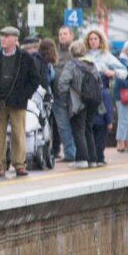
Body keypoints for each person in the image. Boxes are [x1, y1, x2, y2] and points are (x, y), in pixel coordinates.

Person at [0, 26, 41, 178]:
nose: (3, 39)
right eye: (2, 36)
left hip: (17, 102)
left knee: (18, 133)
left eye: (7, 36)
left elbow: (35, 79)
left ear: (15, 40)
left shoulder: (25, 58)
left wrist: (24, 95)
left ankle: (19, 164)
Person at [56, 40, 101, 169]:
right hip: (92, 103)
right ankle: (93, 160)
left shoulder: (71, 65)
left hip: (76, 103)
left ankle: (81, 159)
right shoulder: (92, 64)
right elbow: (99, 83)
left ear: (71, 52)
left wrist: (65, 99)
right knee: (89, 129)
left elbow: (63, 83)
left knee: (78, 130)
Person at [85, 28, 125, 166]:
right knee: (90, 125)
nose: (93, 41)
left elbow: (124, 72)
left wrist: (112, 72)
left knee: (103, 124)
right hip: (87, 95)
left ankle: (99, 156)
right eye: (90, 39)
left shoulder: (107, 56)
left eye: (95, 38)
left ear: (100, 40)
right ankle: (91, 156)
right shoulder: (84, 55)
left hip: (103, 93)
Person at [52, 26, 76, 161]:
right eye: (60, 34)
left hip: (73, 96)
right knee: (62, 126)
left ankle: (78, 151)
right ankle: (69, 153)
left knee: (75, 125)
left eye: (65, 34)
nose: (62, 36)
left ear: (71, 35)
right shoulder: (55, 52)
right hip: (57, 96)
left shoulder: (76, 51)